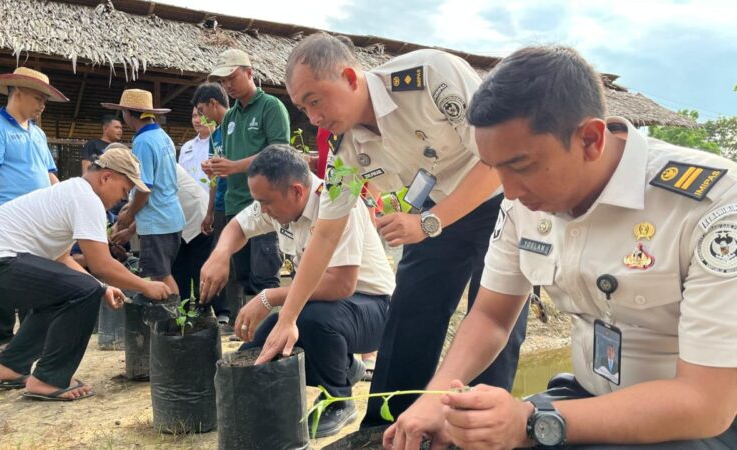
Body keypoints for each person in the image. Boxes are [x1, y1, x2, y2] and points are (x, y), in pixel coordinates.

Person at [385, 46, 737, 450]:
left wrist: (531, 422)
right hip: (583, 400)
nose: (509, 191)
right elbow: (492, 317)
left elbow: (707, 402)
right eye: (496, 169)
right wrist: (436, 397)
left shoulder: (712, 204)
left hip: (697, 428)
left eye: (521, 166)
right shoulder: (523, 202)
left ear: (590, 139)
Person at [256, 33, 529, 427]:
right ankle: (388, 426)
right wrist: (288, 317)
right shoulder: (345, 150)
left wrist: (427, 222)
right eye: (303, 107)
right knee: (409, 314)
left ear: (350, 76)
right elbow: (326, 234)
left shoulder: (430, 77)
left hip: (501, 200)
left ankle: (478, 429)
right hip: (433, 212)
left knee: (494, 316)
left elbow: (498, 159)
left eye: (315, 101)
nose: (312, 117)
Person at [199, 145, 394, 437]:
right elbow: (238, 226)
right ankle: (346, 366)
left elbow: (341, 284)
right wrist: (220, 254)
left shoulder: (339, 203)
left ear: (297, 191)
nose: (262, 210)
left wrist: (268, 298)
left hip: (375, 308)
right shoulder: (275, 200)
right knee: (255, 354)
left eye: (266, 203)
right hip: (331, 306)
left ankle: (338, 399)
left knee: (310, 320)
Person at [0, 148, 172, 401]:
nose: (123, 198)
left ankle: (10, 365)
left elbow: (62, 258)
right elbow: (102, 265)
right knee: (83, 291)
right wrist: (146, 287)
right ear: (106, 177)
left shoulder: (71, 192)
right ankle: (49, 379)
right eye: (124, 189)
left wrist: (102, 287)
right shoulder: (85, 198)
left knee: (71, 292)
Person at [0, 67, 68, 353]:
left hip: (36, 220)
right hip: (7, 217)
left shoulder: (37, 134)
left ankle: (29, 340)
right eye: (39, 97)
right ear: (19, 91)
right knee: (3, 282)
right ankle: (3, 340)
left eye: (45, 100)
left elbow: (50, 174)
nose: (42, 104)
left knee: (32, 280)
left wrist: (65, 202)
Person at [203, 48, 290, 310]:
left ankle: (273, 334)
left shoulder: (271, 107)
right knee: (243, 276)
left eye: (232, 77)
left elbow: (280, 153)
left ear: (250, 72)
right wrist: (215, 167)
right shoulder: (229, 117)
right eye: (223, 81)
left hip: (266, 206)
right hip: (235, 204)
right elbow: (229, 159)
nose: (227, 85)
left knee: (265, 275)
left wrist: (234, 166)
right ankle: (254, 332)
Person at [102, 89, 185, 294]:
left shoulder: (142, 142)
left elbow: (145, 189)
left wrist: (127, 216)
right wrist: (131, 227)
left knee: (161, 276)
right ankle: (174, 321)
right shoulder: (162, 136)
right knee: (164, 273)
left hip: (157, 222)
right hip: (171, 216)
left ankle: (173, 321)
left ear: (127, 114)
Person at [192, 82, 234, 326]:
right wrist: (209, 211)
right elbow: (215, 177)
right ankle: (221, 310)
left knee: (234, 260)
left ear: (213, 103)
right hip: (220, 203)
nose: (201, 116)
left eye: (201, 110)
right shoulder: (215, 135)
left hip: (239, 201)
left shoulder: (235, 128)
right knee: (218, 255)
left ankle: (230, 312)